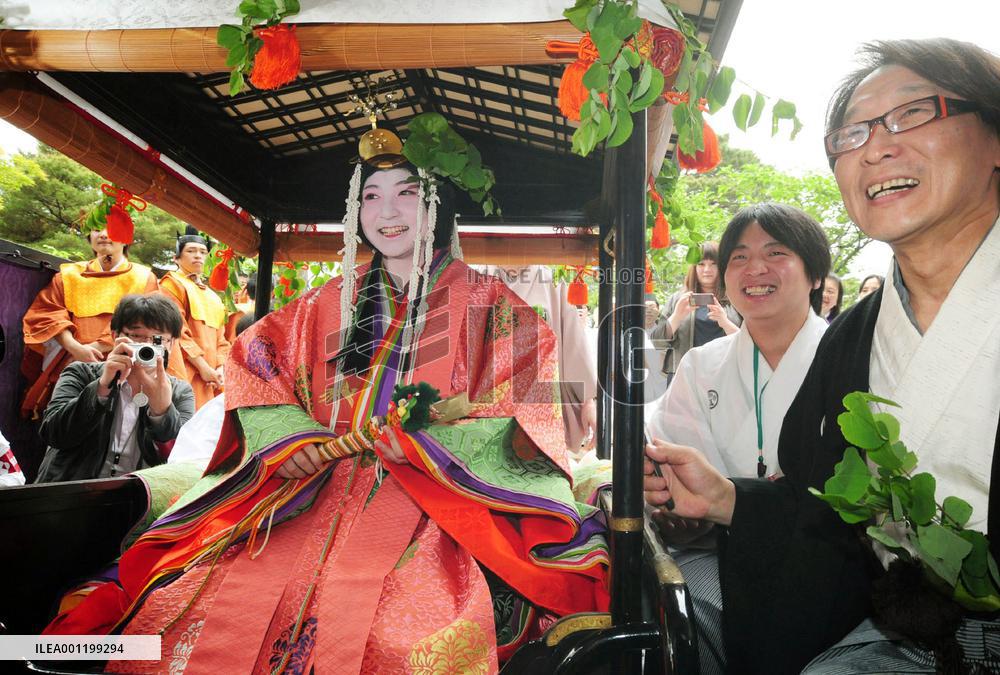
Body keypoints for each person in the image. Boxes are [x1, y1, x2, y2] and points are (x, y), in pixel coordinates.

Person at [46, 158, 609, 673]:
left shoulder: (501, 311)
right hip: (309, 493)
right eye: (370, 196)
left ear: (440, 206)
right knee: (186, 610)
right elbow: (254, 361)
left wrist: (430, 448)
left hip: (435, 506)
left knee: (399, 642)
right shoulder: (323, 305)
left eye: (407, 192)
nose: (386, 212)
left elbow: (530, 412)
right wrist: (293, 438)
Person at [644, 38, 1000, 673]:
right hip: (895, 622)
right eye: (852, 134)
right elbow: (820, 504)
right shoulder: (855, 337)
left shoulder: (827, 341)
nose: (877, 147)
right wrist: (726, 498)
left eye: (914, 113)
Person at [649, 203, 830, 479]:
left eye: (776, 253)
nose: (755, 268)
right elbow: (667, 452)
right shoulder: (699, 366)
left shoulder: (848, 358)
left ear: (816, 275)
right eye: (739, 257)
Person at [35, 294, 195, 483]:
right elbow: (53, 435)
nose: (146, 346)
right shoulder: (81, 373)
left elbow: (182, 458)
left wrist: (162, 412)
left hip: (137, 499)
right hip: (72, 492)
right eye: (136, 336)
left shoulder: (180, 391)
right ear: (115, 336)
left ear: (172, 343)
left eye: (158, 340)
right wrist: (101, 388)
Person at [19, 228, 167, 419]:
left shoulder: (144, 277)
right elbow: (48, 313)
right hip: (72, 361)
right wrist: (75, 348)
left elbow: (149, 322)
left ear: (126, 239)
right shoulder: (69, 275)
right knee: (67, 419)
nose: (104, 235)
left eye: (112, 229)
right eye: (97, 230)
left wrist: (94, 347)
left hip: (126, 361)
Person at [479, 264, 598, 455]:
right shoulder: (479, 276)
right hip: (491, 402)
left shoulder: (551, 281)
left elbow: (572, 342)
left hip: (540, 401)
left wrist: (587, 401)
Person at [647, 242, 742, 387]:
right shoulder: (678, 299)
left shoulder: (736, 299)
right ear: (694, 267)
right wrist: (677, 316)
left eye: (713, 264)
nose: (707, 269)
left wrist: (725, 322)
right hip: (684, 375)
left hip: (724, 374)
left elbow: (749, 343)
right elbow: (656, 342)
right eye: (701, 264)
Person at [159, 227, 231, 409]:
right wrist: (203, 368)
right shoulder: (172, 284)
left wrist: (219, 369)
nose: (198, 256)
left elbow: (222, 340)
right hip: (186, 371)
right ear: (176, 257)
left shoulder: (214, 296)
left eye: (202, 252)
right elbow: (176, 332)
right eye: (190, 251)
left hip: (211, 378)